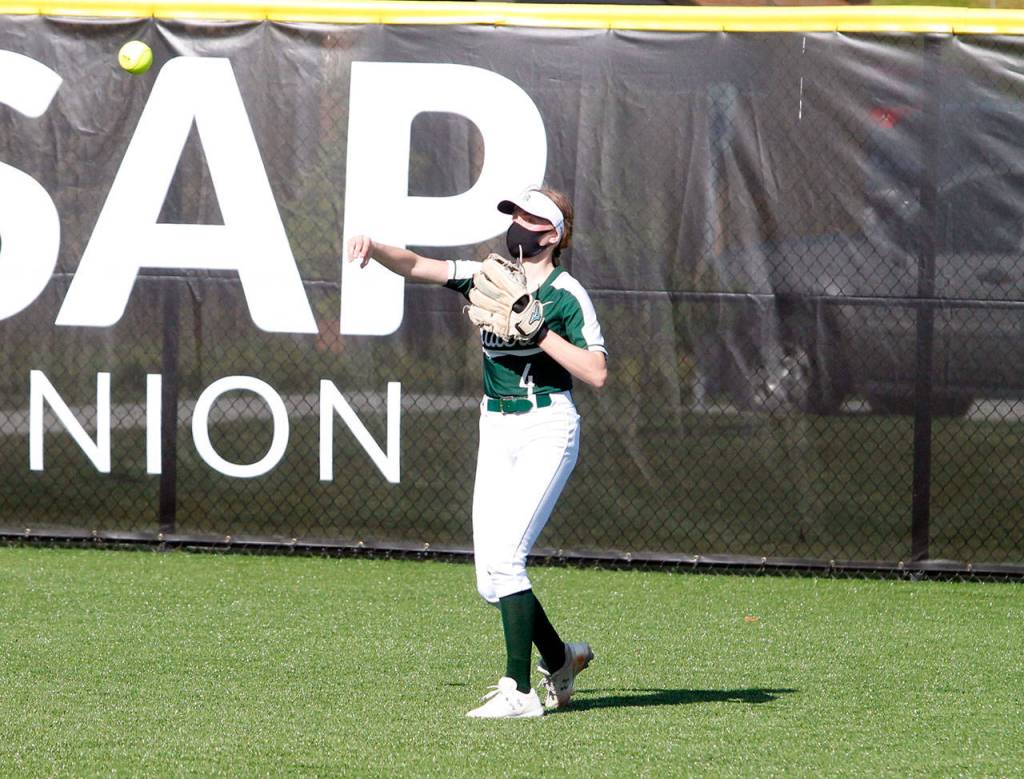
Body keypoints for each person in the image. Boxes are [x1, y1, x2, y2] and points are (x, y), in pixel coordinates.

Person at [345, 186, 608, 719]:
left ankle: (519, 692)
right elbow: (418, 265)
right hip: (496, 426)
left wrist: (538, 329)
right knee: (491, 580)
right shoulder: (489, 275)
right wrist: (375, 247)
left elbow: (596, 372)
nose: (518, 224)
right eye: (515, 214)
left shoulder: (566, 294)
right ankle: (561, 658)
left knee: (508, 562)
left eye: (530, 219)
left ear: (552, 236)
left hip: (546, 425)